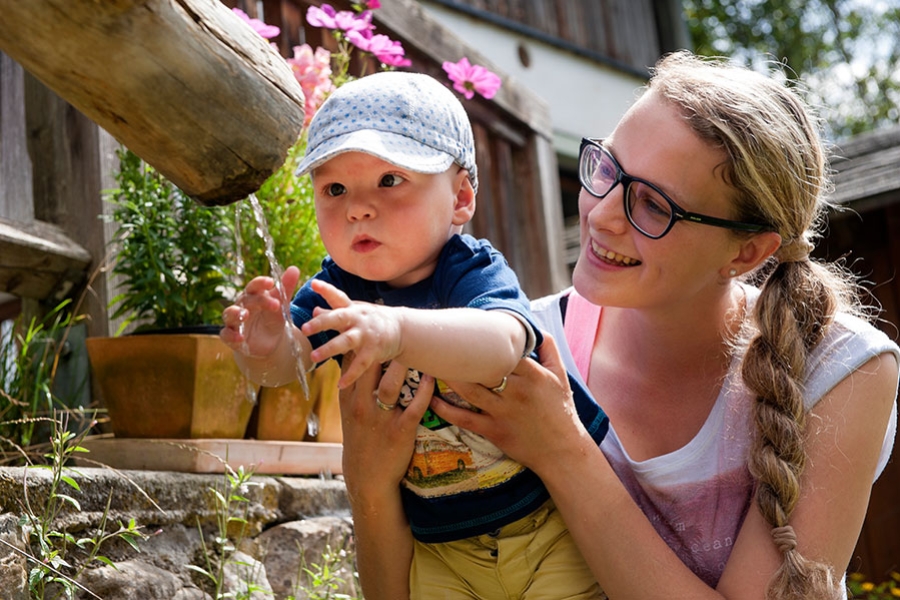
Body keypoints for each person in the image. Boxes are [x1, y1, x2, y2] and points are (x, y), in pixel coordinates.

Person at [339, 51, 900, 600]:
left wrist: (562, 450)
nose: (601, 214)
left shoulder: (842, 368)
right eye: (607, 168)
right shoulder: (513, 347)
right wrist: (367, 482)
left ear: (748, 251)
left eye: (654, 206)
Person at [220, 71, 608, 599]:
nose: (357, 206)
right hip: (441, 549)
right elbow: (288, 366)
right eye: (335, 188)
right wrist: (264, 347)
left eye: (389, 180)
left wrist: (397, 328)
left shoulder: (469, 269)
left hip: (546, 524)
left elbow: (501, 345)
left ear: (460, 199)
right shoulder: (333, 288)